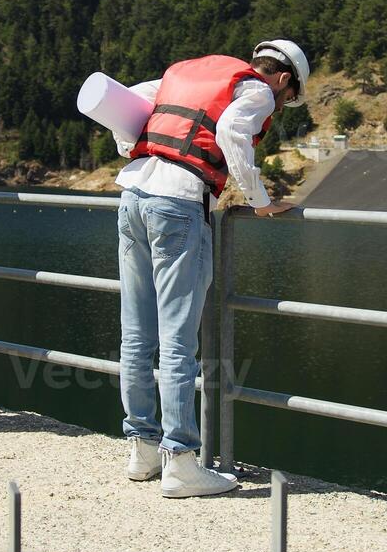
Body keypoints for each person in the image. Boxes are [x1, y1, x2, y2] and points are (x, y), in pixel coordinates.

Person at [112, 40, 310, 498]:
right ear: (284, 80)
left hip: (133, 196)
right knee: (178, 339)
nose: (280, 106)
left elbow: (122, 103)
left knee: (137, 334)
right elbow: (231, 136)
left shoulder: (184, 73)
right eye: (289, 98)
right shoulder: (257, 91)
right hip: (180, 203)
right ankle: (180, 462)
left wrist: (130, 147)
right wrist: (259, 201)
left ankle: (142, 449)